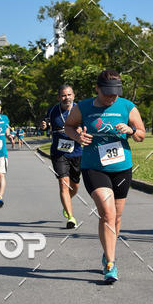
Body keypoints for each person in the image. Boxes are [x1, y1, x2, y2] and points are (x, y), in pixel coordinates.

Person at [64, 70, 145, 283]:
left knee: (116, 217)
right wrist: (78, 136)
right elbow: (69, 126)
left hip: (121, 168)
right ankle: (111, 263)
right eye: (107, 93)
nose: (112, 97)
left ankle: (107, 251)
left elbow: (141, 135)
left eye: (115, 93)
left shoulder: (127, 106)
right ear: (97, 88)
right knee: (107, 214)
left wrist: (130, 130)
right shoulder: (84, 107)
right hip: (94, 167)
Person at [47, 84, 83, 229]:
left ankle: (66, 202)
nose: (66, 98)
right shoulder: (53, 111)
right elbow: (46, 123)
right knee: (63, 184)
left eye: (69, 95)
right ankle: (71, 217)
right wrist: (44, 124)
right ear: (59, 97)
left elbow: (87, 127)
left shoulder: (81, 110)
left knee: (75, 187)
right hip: (59, 153)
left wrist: (81, 130)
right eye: (63, 95)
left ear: (73, 96)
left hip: (77, 152)